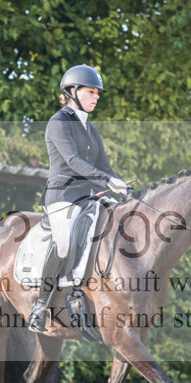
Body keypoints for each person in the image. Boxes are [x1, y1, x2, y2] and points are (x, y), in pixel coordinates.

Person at [30, 65, 129, 333]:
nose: (96, 97)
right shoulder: (58, 123)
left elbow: (105, 166)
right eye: (91, 92)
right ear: (72, 92)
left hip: (89, 196)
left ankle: (84, 292)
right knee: (63, 245)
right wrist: (107, 181)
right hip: (62, 195)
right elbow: (73, 161)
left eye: (97, 93)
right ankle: (40, 305)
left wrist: (123, 188)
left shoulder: (91, 128)